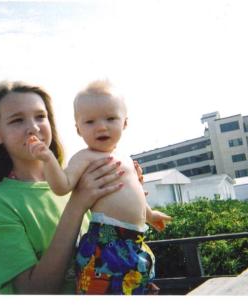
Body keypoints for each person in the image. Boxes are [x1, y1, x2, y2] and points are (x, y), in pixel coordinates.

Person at [0, 80, 125, 294]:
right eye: (17, 120)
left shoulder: (76, 182)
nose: (33, 127)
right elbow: (34, 291)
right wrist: (77, 205)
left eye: (41, 116)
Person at [28, 80, 172, 294]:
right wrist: (48, 160)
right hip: (106, 243)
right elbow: (62, 186)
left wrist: (150, 215)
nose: (101, 126)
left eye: (110, 118)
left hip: (135, 242)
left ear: (124, 123)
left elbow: (136, 196)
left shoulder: (125, 158)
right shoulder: (85, 157)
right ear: (78, 129)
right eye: (90, 122)